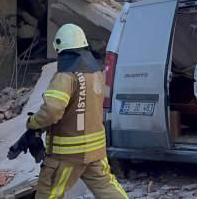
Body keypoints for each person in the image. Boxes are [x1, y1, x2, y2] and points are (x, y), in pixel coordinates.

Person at [27, 24, 127, 199]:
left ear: (60, 47)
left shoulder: (65, 76)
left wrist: (33, 122)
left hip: (66, 155)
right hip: (96, 151)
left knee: (49, 192)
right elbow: (101, 99)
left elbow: (52, 110)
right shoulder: (98, 73)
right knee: (107, 188)